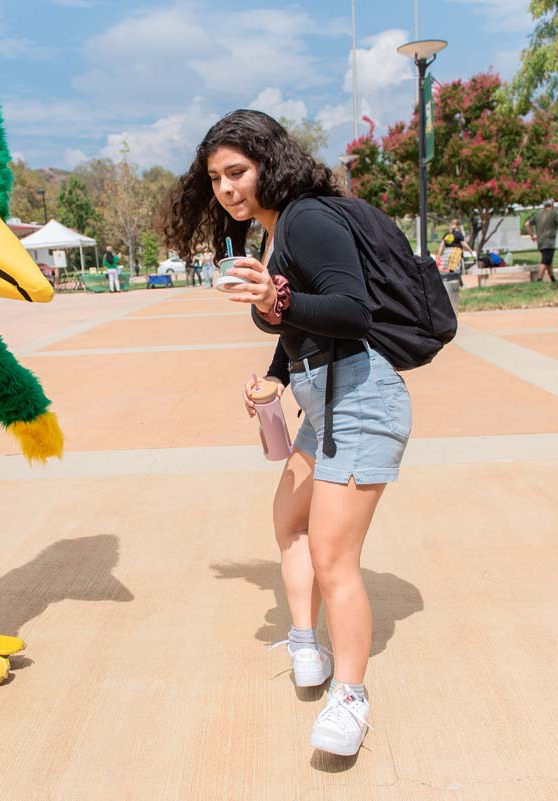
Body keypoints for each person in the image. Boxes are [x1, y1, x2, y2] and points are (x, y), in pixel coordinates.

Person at [164, 109, 412, 757]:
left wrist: (277, 303)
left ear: (269, 163)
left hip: (360, 399)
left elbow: (350, 309)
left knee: (333, 556)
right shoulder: (276, 233)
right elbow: (305, 325)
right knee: (289, 521)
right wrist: (275, 377)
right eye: (215, 177)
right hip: (321, 400)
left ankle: (351, 697)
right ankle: (307, 640)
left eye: (237, 171)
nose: (225, 188)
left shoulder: (307, 218)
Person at [525, 200, 558, 281]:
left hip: (540, 242)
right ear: (552, 205)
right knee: (545, 261)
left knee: (548, 260)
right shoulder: (554, 214)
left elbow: (527, 224)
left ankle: (552, 278)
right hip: (549, 242)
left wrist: (532, 235)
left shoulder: (538, 214)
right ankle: (539, 279)